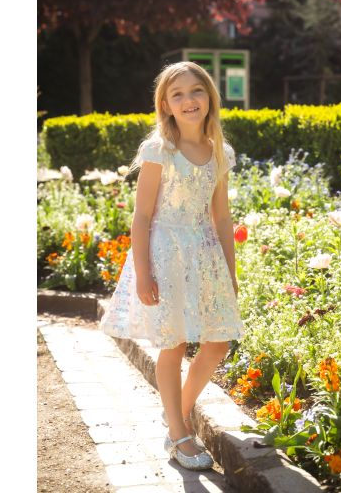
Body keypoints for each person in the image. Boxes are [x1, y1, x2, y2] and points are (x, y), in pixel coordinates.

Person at [99, 61, 244, 470]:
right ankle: (179, 435)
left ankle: (175, 412)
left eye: (196, 90)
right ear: (165, 104)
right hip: (166, 253)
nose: (188, 100)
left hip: (205, 254)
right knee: (174, 342)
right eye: (177, 94)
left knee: (218, 342)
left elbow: (221, 217)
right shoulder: (159, 150)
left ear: (209, 97)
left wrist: (230, 272)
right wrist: (144, 272)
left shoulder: (219, 153)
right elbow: (142, 216)